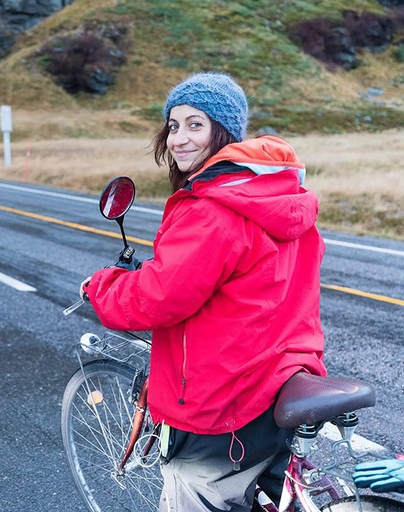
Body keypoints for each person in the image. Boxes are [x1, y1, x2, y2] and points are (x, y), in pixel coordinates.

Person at [79, 72, 327, 512]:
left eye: (196, 124)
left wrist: (102, 287)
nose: (178, 138)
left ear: (224, 132)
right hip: (282, 377)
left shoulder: (212, 212)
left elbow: (158, 297)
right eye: (173, 126)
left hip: (227, 397)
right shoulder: (280, 196)